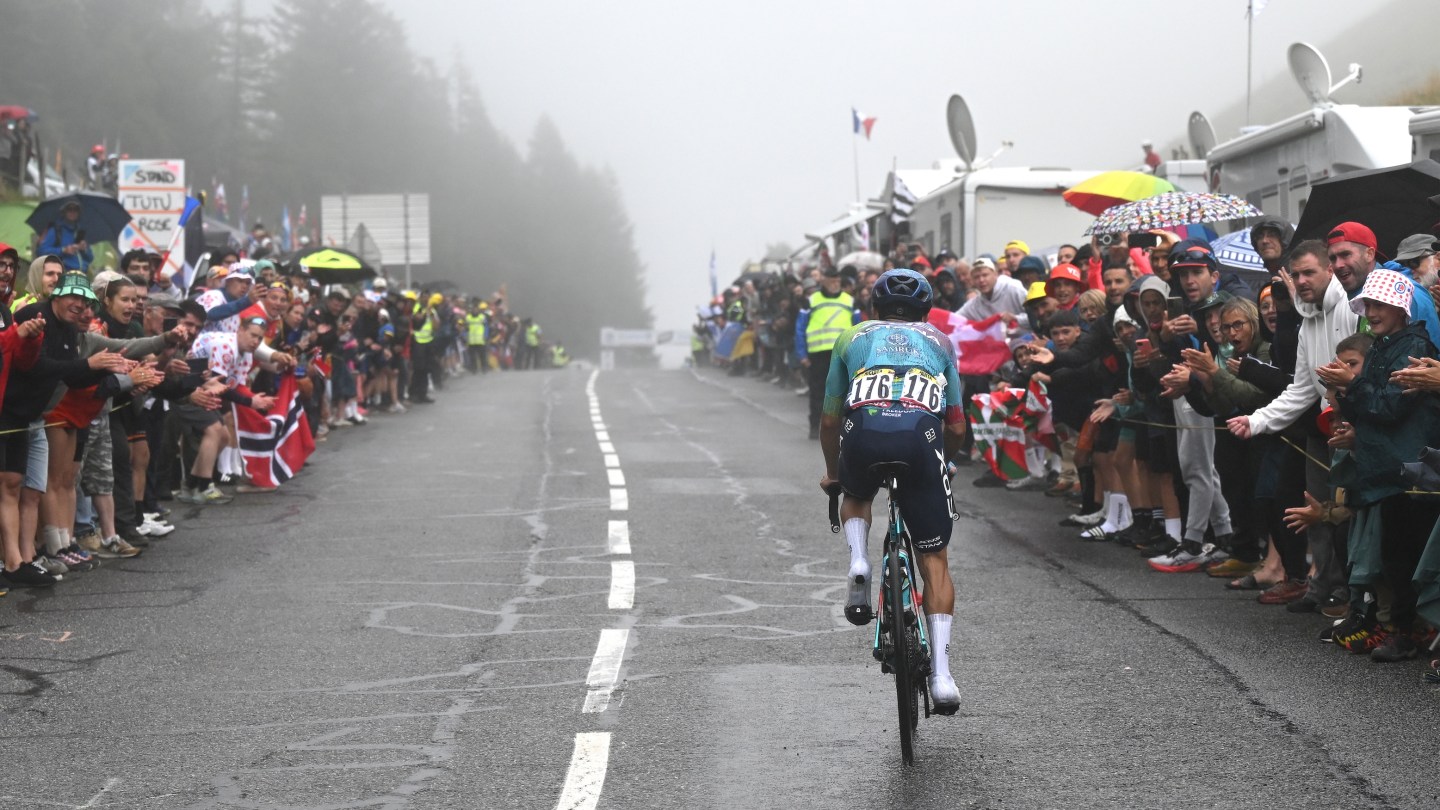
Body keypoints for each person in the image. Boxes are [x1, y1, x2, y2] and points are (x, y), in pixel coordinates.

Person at [818, 268, 965, 713]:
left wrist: (833, 473)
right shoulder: (941, 341)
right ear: (925, 310)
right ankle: (941, 676)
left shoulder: (851, 336)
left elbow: (827, 420)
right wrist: (947, 459)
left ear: (874, 309)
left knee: (856, 493)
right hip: (920, 436)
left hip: (863, 429)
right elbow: (956, 424)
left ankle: (859, 560)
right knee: (934, 559)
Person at [1228, 240, 1358, 612]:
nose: (1301, 281)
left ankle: (1350, 595)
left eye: (1309, 272)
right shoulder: (1305, 323)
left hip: (1350, 429)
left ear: (1329, 271)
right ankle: (1320, 587)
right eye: (1296, 274)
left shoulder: (1349, 308)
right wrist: (1256, 421)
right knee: (1315, 512)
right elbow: (1301, 390)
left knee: (1348, 514)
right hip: (1321, 429)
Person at [795, 266, 858, 440]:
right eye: (831, 279)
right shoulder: (811, 300)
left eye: (837, 280)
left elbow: (859, 327)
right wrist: (802, 354)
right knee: (817, 392)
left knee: (845, 392)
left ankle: (845, 428)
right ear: (822, 280)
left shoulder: (850, 301)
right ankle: (815, 426)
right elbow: (800, 328)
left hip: (844, 354)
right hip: (818, 354)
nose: (834, 283)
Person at [37, 201, 93, 272]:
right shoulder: (56, 231)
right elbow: (41, 251)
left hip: (82, 274)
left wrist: (85, 249)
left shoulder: (80, 232)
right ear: (64, 212)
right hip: (63, 273)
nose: (72, 212)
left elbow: (90, 258)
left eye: (75, 210)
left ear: (79, 213)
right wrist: (63, 250)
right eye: (69, 209)